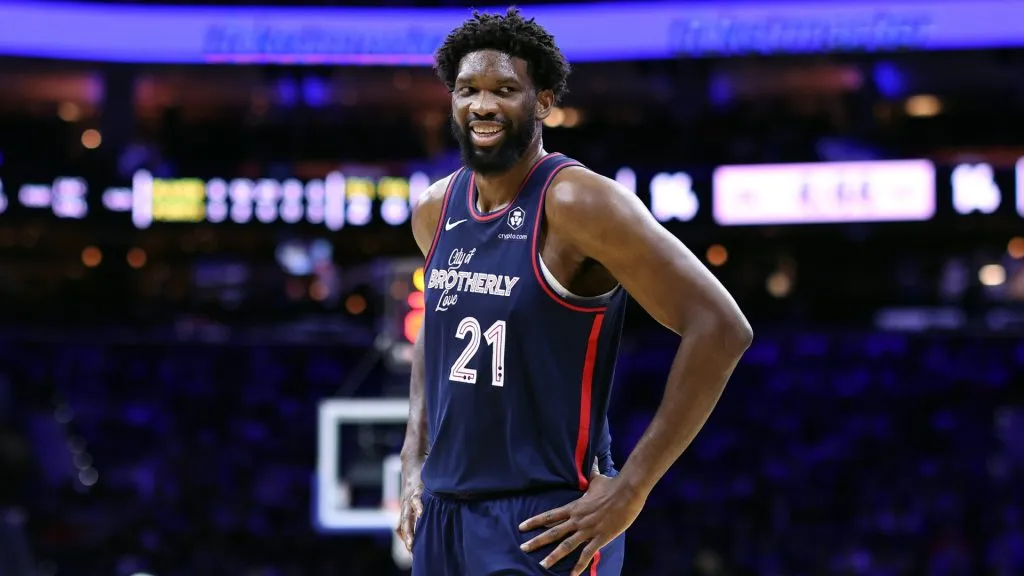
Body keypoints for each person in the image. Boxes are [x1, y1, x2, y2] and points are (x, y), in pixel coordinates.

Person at [397, 8, 752, 576]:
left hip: (546, 519)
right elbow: (435, 339)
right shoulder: (434, 209)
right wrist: (413, 455)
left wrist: (632, 488)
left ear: (543, 102)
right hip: (444, 517)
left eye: (504, 89)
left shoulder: (579, 203)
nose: (483, 105)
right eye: (468, 89)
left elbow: (721, 327)